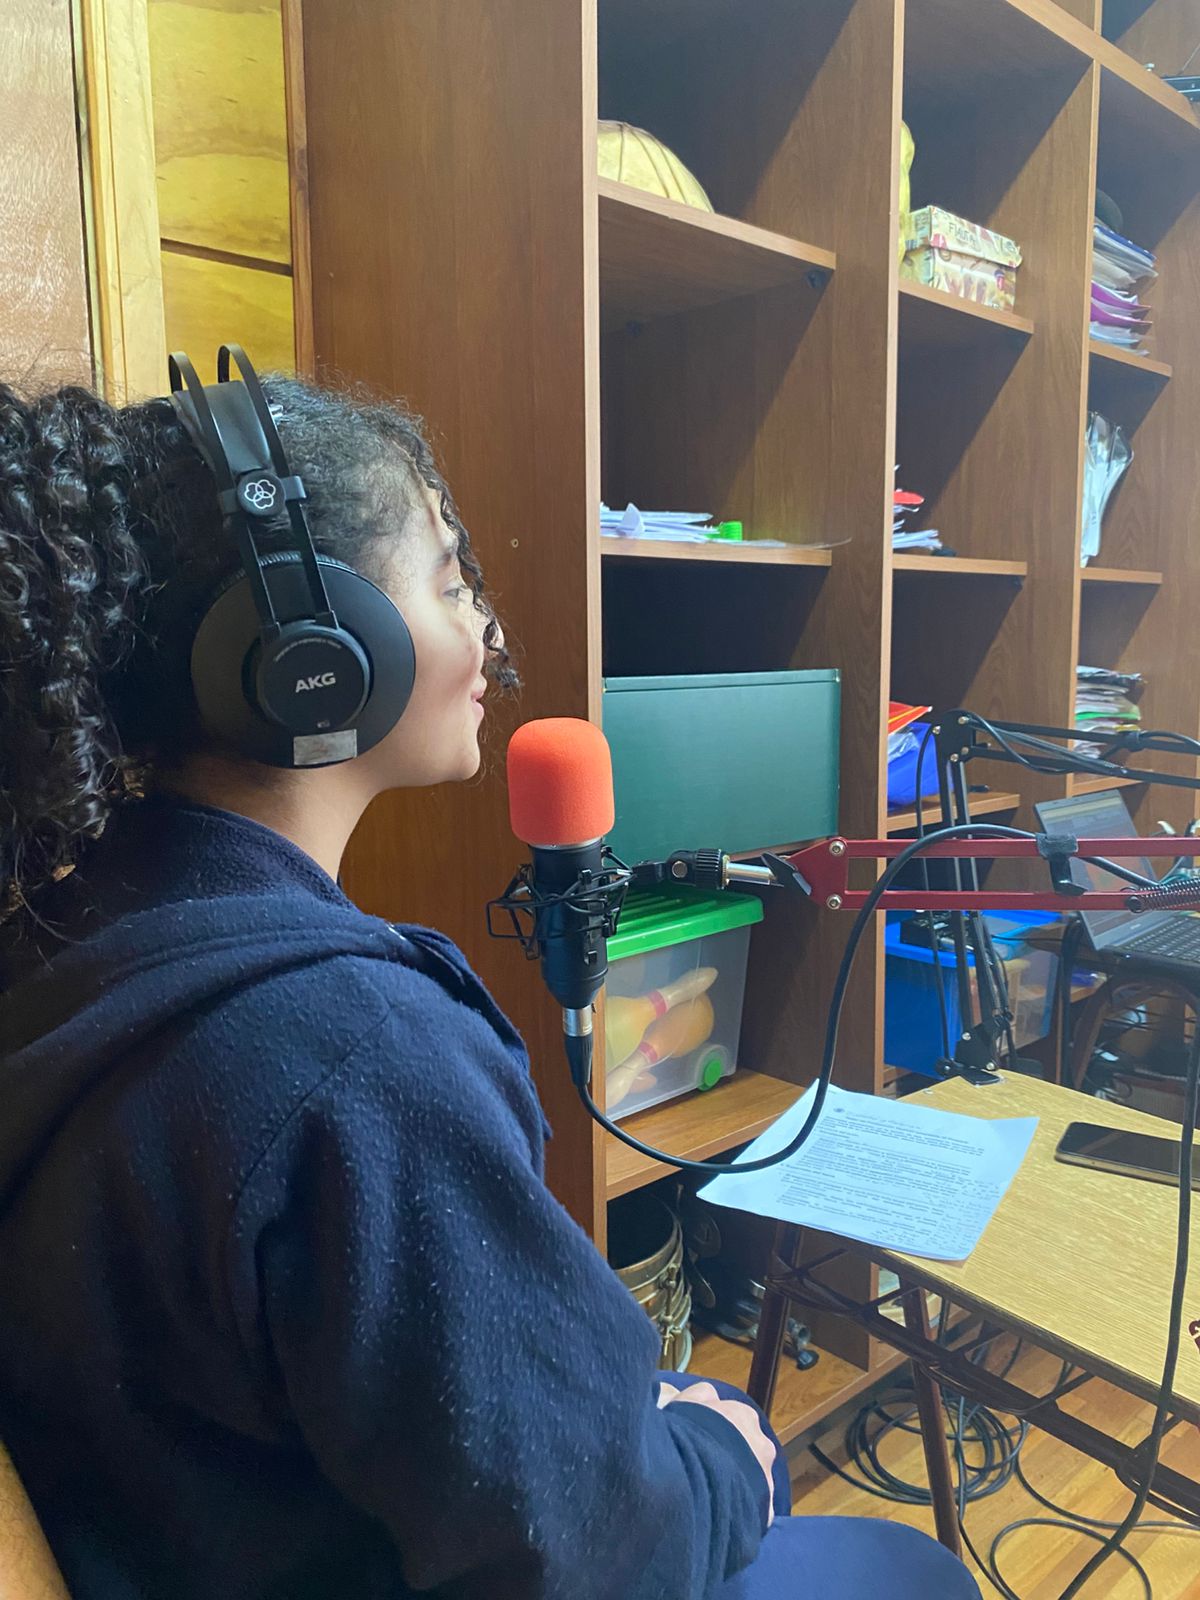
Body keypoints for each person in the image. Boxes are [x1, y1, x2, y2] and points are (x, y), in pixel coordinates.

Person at [0, 367, 980, 1600]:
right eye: (452, 581)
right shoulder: (355, 1057)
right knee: (902, 1566)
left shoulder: (64, 932)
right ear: (312, 656)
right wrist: (725, 1455)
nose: (490, 637)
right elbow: (607, 1560)